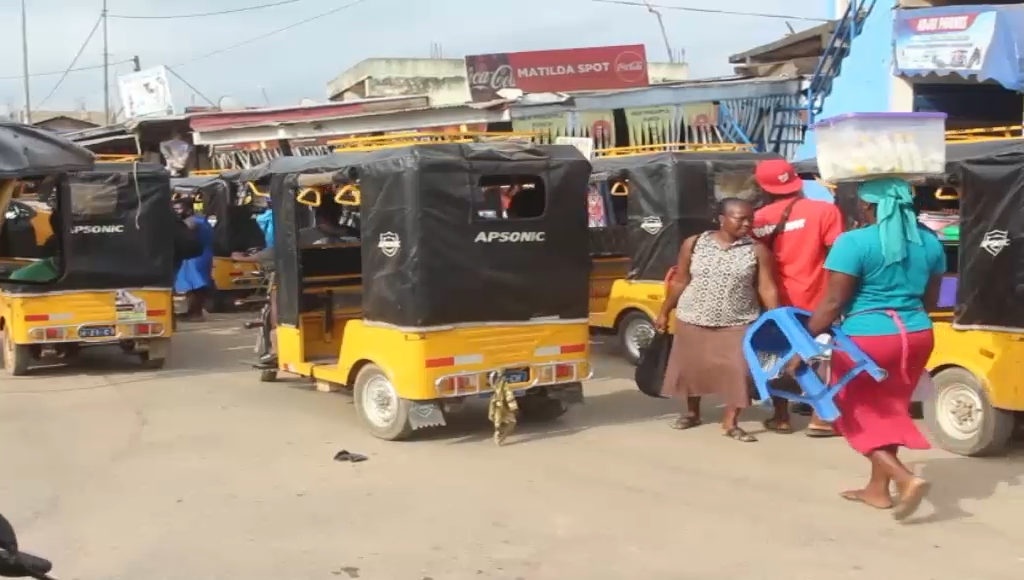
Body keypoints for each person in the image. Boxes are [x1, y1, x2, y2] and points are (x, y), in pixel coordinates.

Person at [796, 178, 944, 520]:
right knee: (889, 408)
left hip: (869, 336)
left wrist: (801, 343)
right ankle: (877, 490)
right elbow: (932, 300)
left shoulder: (853, 242)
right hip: (917, 334)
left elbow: (833, 302)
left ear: (866, 206)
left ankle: (904, 478)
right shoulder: (929, 242)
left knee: (847, 409)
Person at [654, 198, 781, 442]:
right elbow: (680, 279)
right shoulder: (694, 244)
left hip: (738, 321)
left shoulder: (756, 250)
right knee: (692, 369)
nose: (747, 224)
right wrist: (664, 310)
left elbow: (767, 287)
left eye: (750, 219)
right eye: (740, 218)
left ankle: (731, 422)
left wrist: (777, 318)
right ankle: (692, 413)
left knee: (738, 371)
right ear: (722, 219)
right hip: (693, 317)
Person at [751, 159, 845, 437]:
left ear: (763, 187)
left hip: (773, 304)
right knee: (822, 356)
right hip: (818, 300)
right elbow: (839, 256)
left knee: (774, 355)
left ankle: (781, 416)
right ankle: (821, 418)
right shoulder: (825, 211)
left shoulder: (757, 219)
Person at [173, 198, 214, 322]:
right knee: (192, 286)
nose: (176, 212)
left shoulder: (194, 221)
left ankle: (196, 314)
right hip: (193, 256)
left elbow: (190, 227)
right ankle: (192, 312)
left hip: (198, 257)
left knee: (198, 286)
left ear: (189, 210)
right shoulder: (198, 220)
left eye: (178, 209)